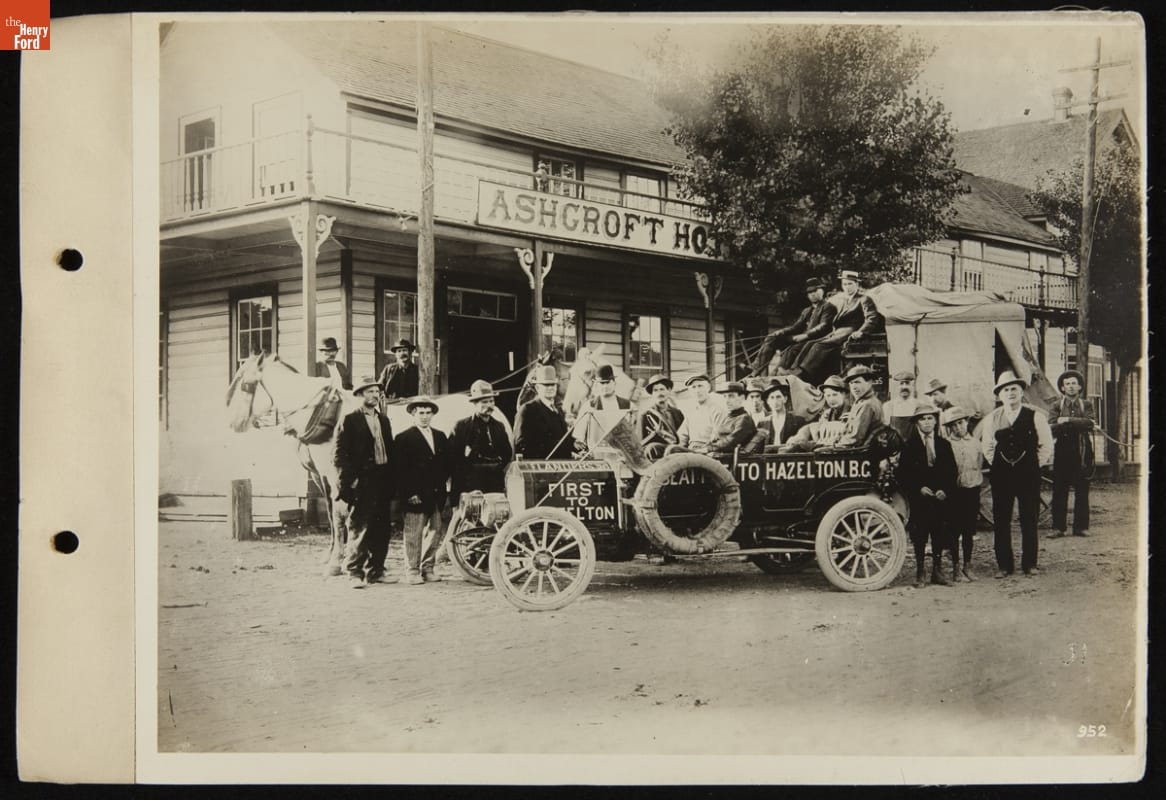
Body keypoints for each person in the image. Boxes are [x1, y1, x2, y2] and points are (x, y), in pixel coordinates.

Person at [980, 370, 1054, 578]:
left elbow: (1046, 445)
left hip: (1028, 474)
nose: (1010, 393)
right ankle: (1005, 566)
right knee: (1001, 520)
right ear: (1000, 395)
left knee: (1029, 518)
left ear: (1021, 392)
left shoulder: (1036, 416)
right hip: (1001, 475)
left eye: (1014, 389)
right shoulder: (992, 419)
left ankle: (1030, 564)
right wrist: (999, 464)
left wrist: (1033, 464)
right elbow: (987, 446)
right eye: (1006, 390)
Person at [332, 376, 395, 585]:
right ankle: (354, 573)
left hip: (382, 480)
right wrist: (349, 483)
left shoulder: (384, 420)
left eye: (377, 392)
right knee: (360, 528)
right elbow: (339, 455)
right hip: (362, 482)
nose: (375, 396)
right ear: (360, 395)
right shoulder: (349, 420)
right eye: (370, 392)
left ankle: (376, 571)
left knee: (382, 528)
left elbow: (390, 450)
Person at [897, 403, 958, 587]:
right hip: (920, 498)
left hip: (939, 498)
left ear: (935, 421)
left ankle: (937, 571)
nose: (927, 422)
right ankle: (920, 571)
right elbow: (903, 474)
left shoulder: (944, 444)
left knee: (939, 532)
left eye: (930, 418)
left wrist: (944, 489)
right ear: (917, 423)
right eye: (922, 419)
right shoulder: (909, 446)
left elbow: (952, 471)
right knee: (920, 534)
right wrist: (918, 488)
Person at [394, 396, 451, 585]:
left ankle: (428, 568)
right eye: (421, 413)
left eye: (428, 413)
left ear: (433, 414)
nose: (425, 416)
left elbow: (446, 464)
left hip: (436, 494)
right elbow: (400, 470)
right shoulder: (403, 438)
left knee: (435, 531)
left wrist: (444, 487)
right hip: (415, 495)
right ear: (413, 414)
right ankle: (412, 570)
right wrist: (409, 493)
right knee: (414, 533)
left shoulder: (440, 436)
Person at [793, 269, 882, 385]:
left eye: (850, 284)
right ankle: (795, 369)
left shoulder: (864, 299)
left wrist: (861, 331)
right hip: (838, 331)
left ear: (857, 284)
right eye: (844, 284)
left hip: (851, 329)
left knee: (820, 345)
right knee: (811, 343)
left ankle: (803, 373)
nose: (847, 287)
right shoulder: (842, 300)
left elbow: (871, 318)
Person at [751, 277, 837, 376]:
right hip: (802, 338)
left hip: (815, 339)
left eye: (815, 291)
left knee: (792, 349)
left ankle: (778, 373)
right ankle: (757, 370)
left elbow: (823, 326)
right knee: (772, 338)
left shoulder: (828, 307)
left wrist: (805, 335)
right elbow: (796, 327)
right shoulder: (807, 310)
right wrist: (781, 332)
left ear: (822, 290)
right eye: (809, 292)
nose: (812, 294)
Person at [1049, 369, 1095, 538]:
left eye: (1074, 383)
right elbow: (1052, 427)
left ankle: (1081, 528)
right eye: (1067, 384)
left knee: (1082, 489)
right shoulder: (1056, 406)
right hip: (1062, 451)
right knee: (1059, 489)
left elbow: (1090, 423)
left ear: (1080, 386)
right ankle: (1058, 527)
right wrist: (1076, 424)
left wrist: (1067, 420)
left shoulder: (1086, 405)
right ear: (1062, 388)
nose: (1070, 386)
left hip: (1082, 451)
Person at [448, 379, 513, 499]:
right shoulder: (462, 427)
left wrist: (495, 467)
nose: (489, 405)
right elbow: (452, 459)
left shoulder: (499, 426)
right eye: (484, 402)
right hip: (469, 485)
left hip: (494, 483)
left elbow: (507, 453)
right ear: (475, 404)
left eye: (491, 401)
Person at [943, 406, 983, 582]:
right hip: (955, 492)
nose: (958, 427)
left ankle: (968, 564)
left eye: (960, 423)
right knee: (954, 529)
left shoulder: (975, 443)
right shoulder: (947, 444)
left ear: (966, 422)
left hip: (972, 489)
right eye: (953, 425)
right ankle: (956, 567)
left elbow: (978, 464)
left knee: (969, 529)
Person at [513, 365, 575, 459]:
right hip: (539, 465)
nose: (550, 388)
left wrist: (574, 444)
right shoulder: (528, 410)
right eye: (546, 385)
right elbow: (521, 445)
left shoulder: (559, 411)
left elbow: (564, 440)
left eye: (553, 384)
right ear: (537, 387)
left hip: (560, 465)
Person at [746, 379, 806, 453]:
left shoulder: (797, 421)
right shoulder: (762, 423)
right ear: (768, 401)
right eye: (772, 397)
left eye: (778, 397)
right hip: (768, 459)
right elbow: (757, 447)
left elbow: (803, 446)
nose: (775, 401)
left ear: (785, 399)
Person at [836, 364, 883, 448]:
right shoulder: (862, 402)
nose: (854, 387)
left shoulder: (867, 404)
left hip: (861, 450)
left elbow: (855, 438)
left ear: (869, 383)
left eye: (857, 382)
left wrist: (835, 444)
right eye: (851, 383)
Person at [639, 374, 684, 460]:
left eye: (662, 389)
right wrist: (653, 435)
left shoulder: (678, 413)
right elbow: (640, 444)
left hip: (677, 451)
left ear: (669, 390)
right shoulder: (646, 415)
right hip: (658, 454)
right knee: (652, 448)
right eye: (655, 390)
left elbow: (684, 436)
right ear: (652, 394)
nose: (659, 393)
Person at [676, 374, 726, 452]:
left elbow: (717, 438)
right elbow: (682, 436)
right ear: (690, 391)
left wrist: (702, 449)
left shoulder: (717, 410)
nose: (697, 391)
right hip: (691, 449)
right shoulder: (691, 411)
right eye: (693, 387)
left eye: (700, 386)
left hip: (707, 450)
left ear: (708, 387)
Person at [706, 382, 757, 456]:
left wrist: (708, 448)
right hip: (717, 455)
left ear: (742, 398)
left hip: (729, 458)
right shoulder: (726, 417)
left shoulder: (744, 419)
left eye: (731, 396)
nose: (727, 401)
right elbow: (715, 438)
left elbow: (730, 443)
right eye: (724, 396)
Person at [882, 371, 917, 441]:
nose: (904, 387)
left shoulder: (919, 405)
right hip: (895, 444)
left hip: (915, 444)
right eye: (901, 383)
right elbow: (885, 428)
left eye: (907, 383)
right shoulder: (888, 406)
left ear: (912, 386)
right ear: (896, 387)